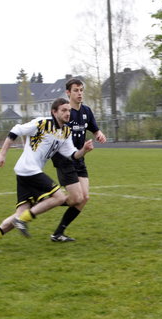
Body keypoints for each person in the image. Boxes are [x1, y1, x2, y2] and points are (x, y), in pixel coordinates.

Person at [0, 98, 94, 252]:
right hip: (28, 169)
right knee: (58, 197)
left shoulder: (65, 131)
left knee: (20, 212)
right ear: (54, 112)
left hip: (27, 172)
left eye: (69, 110)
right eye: (63, 110)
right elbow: (16, 130)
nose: (67, 113)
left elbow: (72, 155)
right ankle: (23, 220)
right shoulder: (42, 123)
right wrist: (2, 154)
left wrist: (84, 150)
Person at [50, 78, 106, 242]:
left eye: (81, 90)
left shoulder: (86, 111)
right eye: (76, 90)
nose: (79, 93)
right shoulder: (63, 112)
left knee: (84, 198)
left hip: (80, 159)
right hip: (65, 160)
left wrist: (99, 134)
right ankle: (43, 203)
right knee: (76, 198)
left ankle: (58, 233)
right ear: (68, 93)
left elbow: (95, 129)